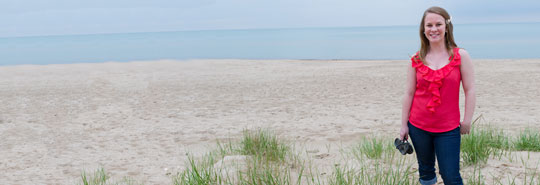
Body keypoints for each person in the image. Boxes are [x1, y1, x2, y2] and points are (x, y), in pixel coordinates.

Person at [399, 6, 476, 185]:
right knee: (425, 171)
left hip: (448, 129)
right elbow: (409, 93)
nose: (434, 29)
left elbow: (470, 89)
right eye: (429, 25)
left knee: (451, 176)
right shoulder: (416, 59)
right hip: (418, 126)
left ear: (447, 27)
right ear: (423, 30)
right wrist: (403, 125)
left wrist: (467, 120)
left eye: (438, 24)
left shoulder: (461, 56)